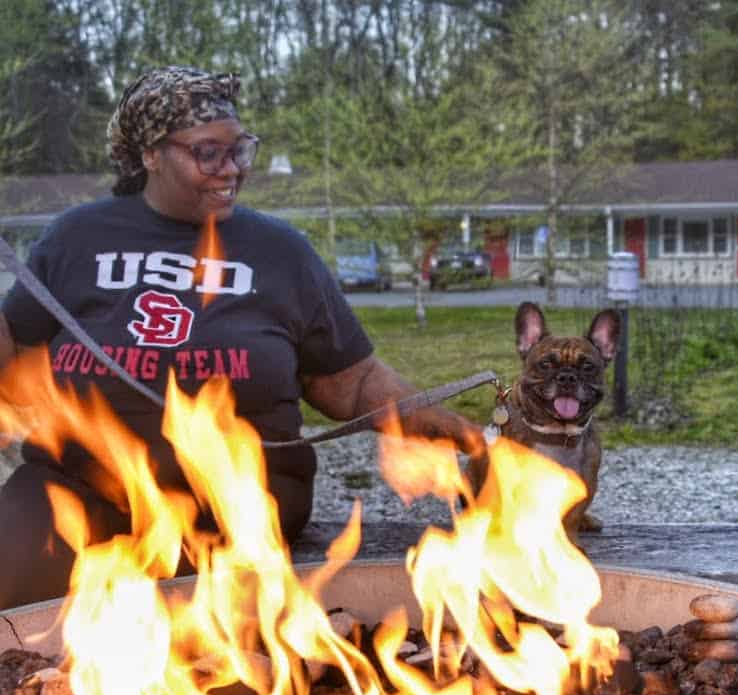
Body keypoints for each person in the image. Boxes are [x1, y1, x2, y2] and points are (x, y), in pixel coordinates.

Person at [0, 65, 480, 610]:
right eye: (208, 152)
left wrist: (458, 429)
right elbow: (14, 356)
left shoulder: (281, 252)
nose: (231, 169)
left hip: (242, 500)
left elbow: (351, 381)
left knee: (211, 638)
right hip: (77, 489)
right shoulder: (76, 237)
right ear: (150, 154)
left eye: (240, 150)